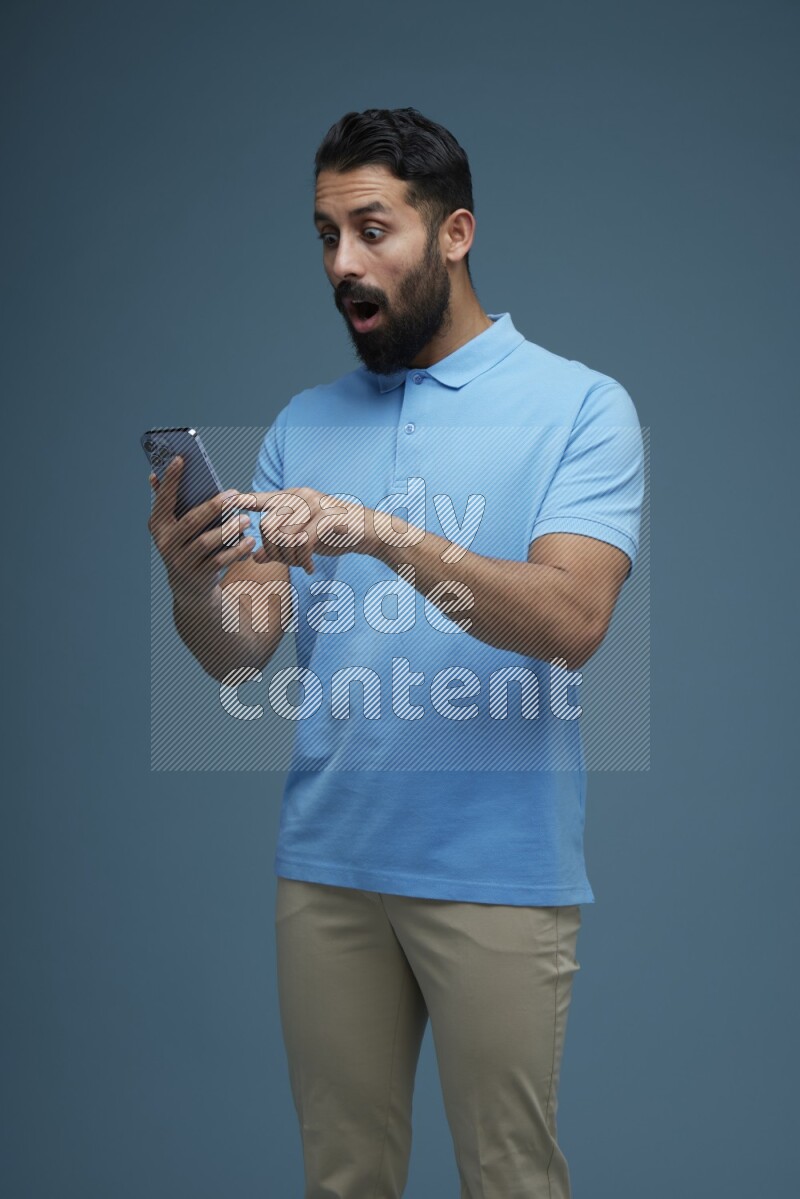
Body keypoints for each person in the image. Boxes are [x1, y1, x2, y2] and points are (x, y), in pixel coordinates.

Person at [148, 107, 645, 1199]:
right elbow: (241, 653)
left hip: (498, 871)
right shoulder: (302, 419)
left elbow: (570, 623)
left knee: (509, 1179)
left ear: (454, 232)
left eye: (372, 230)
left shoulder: (577, 407)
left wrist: (376, 529)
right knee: (341, 1180)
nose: (343, 263)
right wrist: (191, 581)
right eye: (326, 236)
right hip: (325, 864)